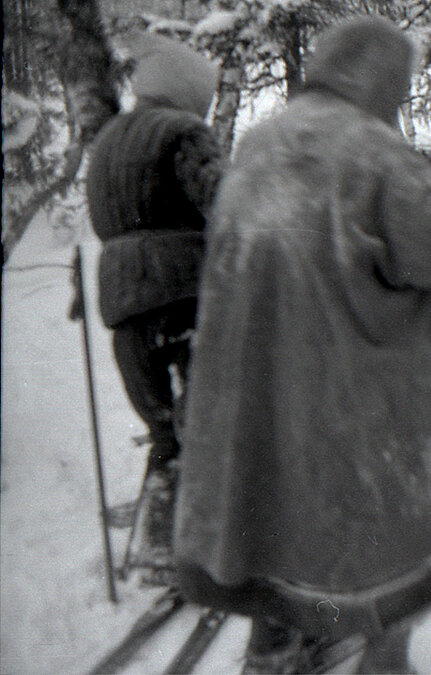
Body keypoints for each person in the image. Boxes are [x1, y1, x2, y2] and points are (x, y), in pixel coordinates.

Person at [173, 17, 431, 673]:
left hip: (259, 385)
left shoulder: (260, 143)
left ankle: (274, 646)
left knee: (275, 517)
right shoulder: (374, 152)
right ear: (383, 78)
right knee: (395, 542)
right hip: (352, 392)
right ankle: (384, 661)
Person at [83, 35, 222, 575]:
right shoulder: (183, 131)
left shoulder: (107, 143)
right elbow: (223, 199)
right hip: (185, 291)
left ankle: (161, 543)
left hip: (121, 303)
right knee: (210, 416)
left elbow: (108, 224)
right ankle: (222, 541)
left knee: (165, 429)